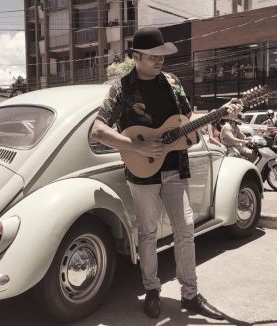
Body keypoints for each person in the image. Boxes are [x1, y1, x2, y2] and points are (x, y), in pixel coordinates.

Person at [91, 27, 241, 320]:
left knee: (185, 231)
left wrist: (219, 113)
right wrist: (136, 145)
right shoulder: (121, 88)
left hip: (176, 169)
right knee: (147, 235)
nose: (160, 60)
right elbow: (98, 130)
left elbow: (188, 121)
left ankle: (190, 294)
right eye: (152, 56)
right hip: (142, 173)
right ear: (136, 57)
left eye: (162, 55)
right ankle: (152, 290)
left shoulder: (173, 83)